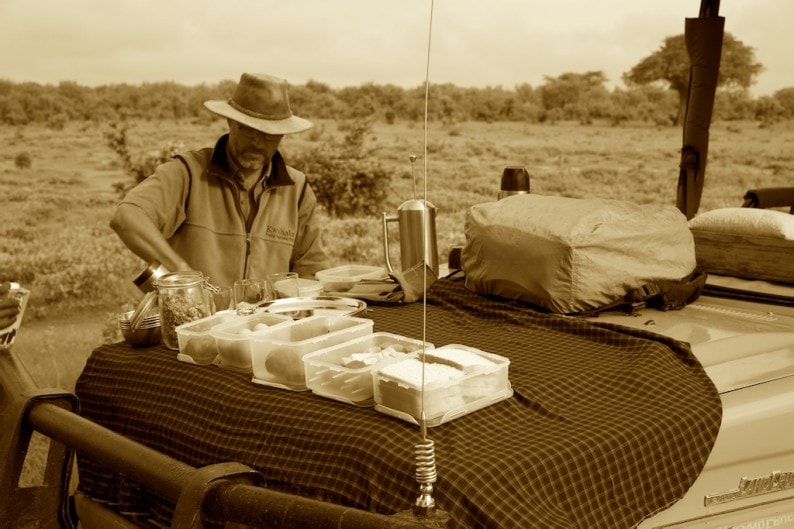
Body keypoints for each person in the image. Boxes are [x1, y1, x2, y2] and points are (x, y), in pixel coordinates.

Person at [110, 73, 330, 288]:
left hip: (268, 324)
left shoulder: (297, 189)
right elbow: (128, 217)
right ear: (230, 122)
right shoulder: (188, 172)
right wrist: (183, 274)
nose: (257, 143)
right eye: (248, 129)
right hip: (193, 323)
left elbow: (310, 268)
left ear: (283, 135)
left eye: (269, 134)